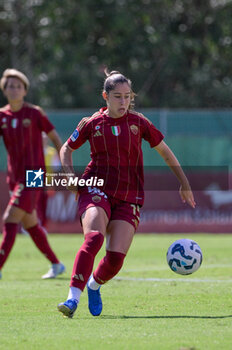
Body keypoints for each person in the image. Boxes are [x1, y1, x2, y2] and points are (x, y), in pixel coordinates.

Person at [57, 69, 196, 318]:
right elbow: (66, 148)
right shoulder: (91, 123)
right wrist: (68, 174)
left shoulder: (139, 123)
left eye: (128, 97)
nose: (124, 102)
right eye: (118, 97)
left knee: (115, 260)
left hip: (129, 195)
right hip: (95, 187)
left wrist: (183, 181)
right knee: (94, 239)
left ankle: (94, 285)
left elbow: (164, 151)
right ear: (105, 96)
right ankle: (71, 299)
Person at [0, 68, 65, 280]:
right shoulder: (2, 116)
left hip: (35, 175)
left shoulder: (35, 113)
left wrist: (66, 162)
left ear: (25, 91)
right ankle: (56, 264)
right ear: (4, 89)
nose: (14, 89)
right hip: (14, 177)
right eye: (10, 85)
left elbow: (55, 137)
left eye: (18, 86)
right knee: (30, 224)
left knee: (10, 218)